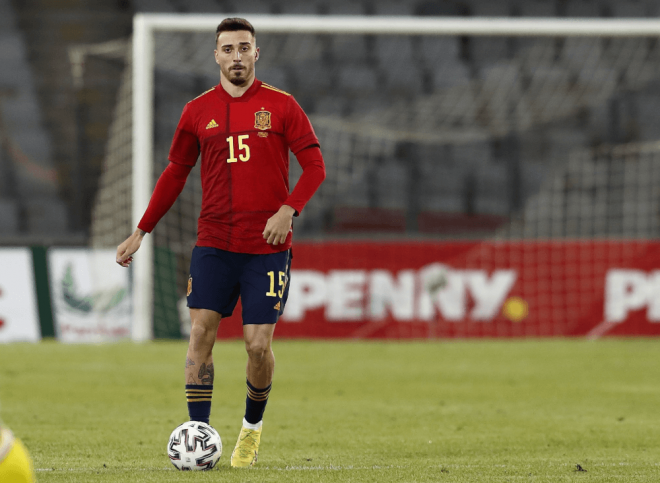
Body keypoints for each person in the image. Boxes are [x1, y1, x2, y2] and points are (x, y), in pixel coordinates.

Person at [116, 17, 325, 468]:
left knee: (256, 345)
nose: (236, 56)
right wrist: (141, 230)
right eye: (227, 49)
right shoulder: (196, 111)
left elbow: (315, 167)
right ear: (216, 55)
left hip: (267, 247)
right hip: (213, 241)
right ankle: (199, 434)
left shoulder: (282, 106)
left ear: (256, 53)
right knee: (200, 334)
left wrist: (288, 209)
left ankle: (251, 429)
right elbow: (175, 173)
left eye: (243, 48)